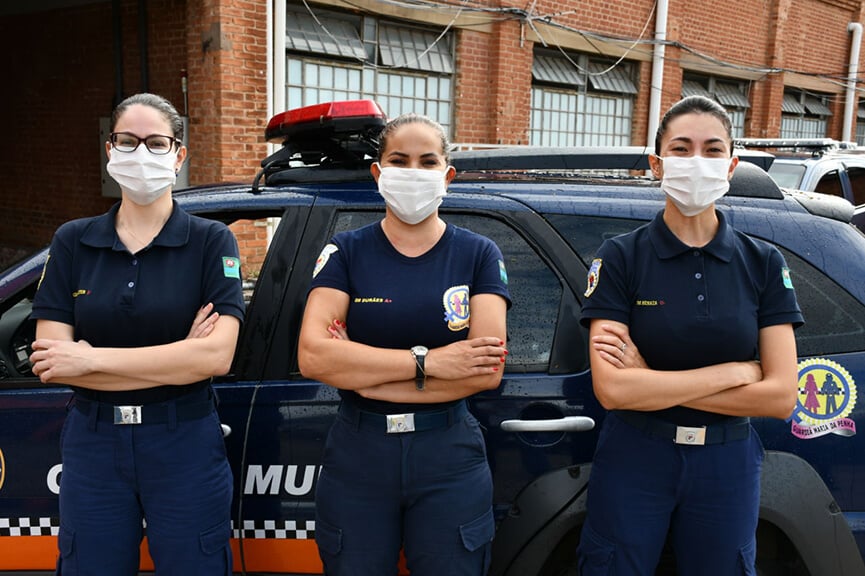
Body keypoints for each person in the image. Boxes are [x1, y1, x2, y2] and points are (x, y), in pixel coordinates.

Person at [577, 95, 803, 575]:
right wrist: (735, 373)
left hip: (726, 463)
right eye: (681, 149)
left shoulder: (763, 262)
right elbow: (613, 389)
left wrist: (651, 382)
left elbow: (782, 396)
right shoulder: (620, 257)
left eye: (711, 149)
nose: (696, 161)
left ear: (731, 164)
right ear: (658, 164)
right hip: (637, 456)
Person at [28, 92, 244, 575]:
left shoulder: (212, 241)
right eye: (127, 141)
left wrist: (91, 361)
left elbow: (216, 358)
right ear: (110, 150)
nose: (140, 154)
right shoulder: (73, 240)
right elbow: (51, 361)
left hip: (182, 439)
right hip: (94, 442)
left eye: (156, 142)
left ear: (179, 154)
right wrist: (179, 356)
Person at [297, 113, 511, 575]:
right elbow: (314, 355)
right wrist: (429, 362)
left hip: (448, 453)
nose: (413, 171)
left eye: (427, 161)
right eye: (399, 160)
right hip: (360, 452)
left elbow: (485, 369)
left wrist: (365, 373)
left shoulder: (478, 254)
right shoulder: (346, 251)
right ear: (378, 172)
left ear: (447, 175)